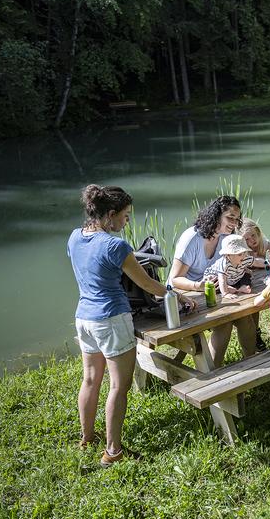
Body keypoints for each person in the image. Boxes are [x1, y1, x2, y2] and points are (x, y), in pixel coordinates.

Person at [68, 184, 195, 468]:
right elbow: (147, 284)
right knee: (118, 385)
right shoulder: (116, 246)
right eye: (125, 216)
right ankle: (113, 452)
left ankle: (87, 438)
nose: (127, 222)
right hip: (111, 319)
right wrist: (178, 294)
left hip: (84, 319)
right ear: (110, 214)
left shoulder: (75, 238)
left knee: (90, 379)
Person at [168, 195, 256, 365]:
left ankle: (252, 363)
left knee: (245, 316)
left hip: (216, 292)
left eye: (237, 219)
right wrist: (198, 286)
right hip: (189, 297)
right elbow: (173, 280)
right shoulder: (192, 238)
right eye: (230, 217)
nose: (233, 223)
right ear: (216, 215)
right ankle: (213, 374)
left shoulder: (226, 238)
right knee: (224, 323)